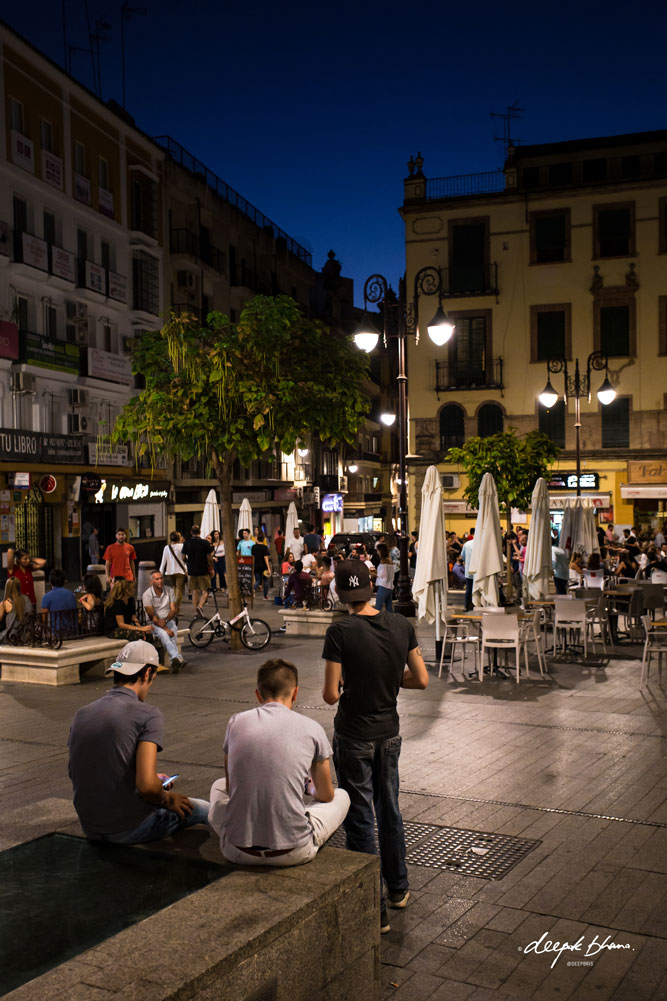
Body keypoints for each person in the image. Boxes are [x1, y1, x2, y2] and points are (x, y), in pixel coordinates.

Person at [322, 559, 429, 934]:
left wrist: (357, 683)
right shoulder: (402, 624)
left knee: (360, 818)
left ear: (341, 593)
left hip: (354, 733)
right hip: (390, 733)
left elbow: (331, 695)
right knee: (390, 811)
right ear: (372, 587)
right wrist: (389, 681)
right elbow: (422, 679)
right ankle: (398, 889)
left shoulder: (340, 631)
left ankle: (374, 908)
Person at [209, 658, 349, 866]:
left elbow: (231, 787)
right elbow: (327, 795)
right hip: (294, 851)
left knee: (218, 786)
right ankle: (298, 817)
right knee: (341, 795)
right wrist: (309, 788)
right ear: (295, 693)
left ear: (258, 694)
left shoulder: (236, 722)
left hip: (237, 850)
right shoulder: (312, 728)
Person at [68, 640, 209, 844]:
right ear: (146, 674)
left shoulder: (82, 713)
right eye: (153, 677)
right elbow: (147, 788)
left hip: (90, 826)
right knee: (203, 809)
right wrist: (168, 799)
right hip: (128, 828)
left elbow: (84, 768)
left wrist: (148, 777)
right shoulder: (148, 714)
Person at [143, 571, 186, 673]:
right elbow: (151, 615)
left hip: (167, 620)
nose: (160, 581)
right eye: (157, 579)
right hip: (153, 623)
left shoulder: (169, 590)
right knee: (164, 635)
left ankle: (174, 661)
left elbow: (173, 610)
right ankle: (178, 658)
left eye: (161, 578)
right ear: (151, 581)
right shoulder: (147, 595)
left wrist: (166, 621)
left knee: (173, 629)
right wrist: (165, 628)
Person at [182, 524, 213, 617]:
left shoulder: (186, 543)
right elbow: (209, 558)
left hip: (191, 570)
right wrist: (211, 568)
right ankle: (200, 606)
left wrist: (189, 562)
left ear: (191, 532)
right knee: (206, 590)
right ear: (200, 532)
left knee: (195, 591)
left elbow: (183, 557)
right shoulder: (205, 543)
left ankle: (197, 612)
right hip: (203, 570)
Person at [41, 569, 78, 638]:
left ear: (51, 581)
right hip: (71, 630)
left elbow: (44, 619)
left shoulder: (46, 597)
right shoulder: (71, 594)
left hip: (56, 632)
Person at [159, 531, 188, 613]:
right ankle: (175, 608)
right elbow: (186, 559)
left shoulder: (166, 547)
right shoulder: (183, 546)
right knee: (179, 589)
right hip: (180, 571)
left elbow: (163, 561)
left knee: (174, 588)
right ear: (179, 538)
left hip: (170, 571)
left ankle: (174, 608)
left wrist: (160, 572)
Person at [0, 577, 32, 643]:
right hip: (26, 635)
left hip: (10, 636)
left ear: (7, 588)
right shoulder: (26, 599)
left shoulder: (5, 603)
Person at [374, 543, 395, 612]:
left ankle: (376, 621)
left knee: (378, 607)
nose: (377, 552)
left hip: (383, 586)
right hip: (389, 586)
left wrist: (371, 573)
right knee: (389, 608)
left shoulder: (383, 561)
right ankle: (390, 621)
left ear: (380, 551)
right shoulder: (390, 560)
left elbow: (382, 575)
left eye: (377, 550)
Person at [252, 530, 272, 600]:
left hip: (256, 566)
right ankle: (265, 596)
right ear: (263, 539)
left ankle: (251, 592)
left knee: (257, 581)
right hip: (264, 566)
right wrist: (269, 568)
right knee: (266, 581)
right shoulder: (264, 547)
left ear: (257, 539)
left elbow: (253, 557)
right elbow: (266, 558)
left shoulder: (254, 547)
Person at [461, 528, 475, 611]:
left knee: (468, 589)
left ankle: (466, 606)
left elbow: (462, 556)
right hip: (478, 572)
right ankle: (476, 605)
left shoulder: (466, 544)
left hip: (468, 571)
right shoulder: (479, 544)